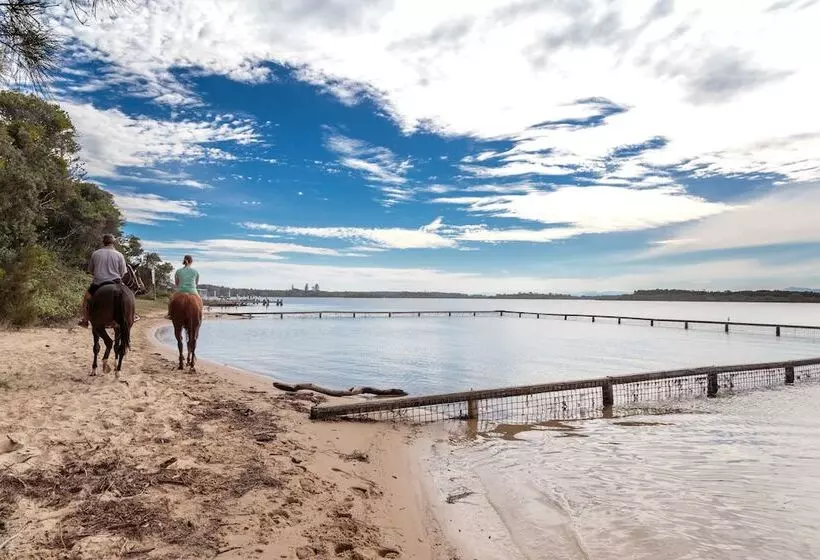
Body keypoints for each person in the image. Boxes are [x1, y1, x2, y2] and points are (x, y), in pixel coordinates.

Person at [78, 233, 127, 327]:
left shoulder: (95, 254)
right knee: (128, 295)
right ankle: (132, 314)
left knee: (86, 299)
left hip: (98, 283)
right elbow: (123, 273)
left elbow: (91, 270)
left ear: (103, 242)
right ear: (113, 243)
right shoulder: (119, 255)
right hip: (116, 282)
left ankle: (85, 320)